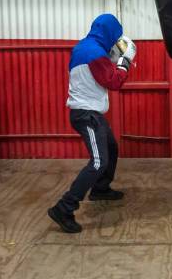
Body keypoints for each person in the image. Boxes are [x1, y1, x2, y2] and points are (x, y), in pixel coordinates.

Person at [48, 13, 137, 233]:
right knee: (98, 162)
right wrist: (124, 63)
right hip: (87, 114)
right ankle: (64, 207)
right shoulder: (95, 53)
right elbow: (114, 82)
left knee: (111, 147)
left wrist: (113, 59)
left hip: (90, 112)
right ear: (109, 33)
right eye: (115, 36)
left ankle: (100, 188)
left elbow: (97, 75)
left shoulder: (86, 46)